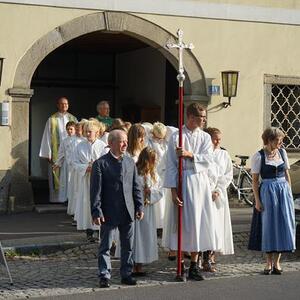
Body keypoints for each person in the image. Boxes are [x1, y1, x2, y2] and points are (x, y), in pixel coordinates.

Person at [164, 103, 216, 280]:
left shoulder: (206, 137)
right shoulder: (177, 136)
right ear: (191, 117)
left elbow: (209, 159)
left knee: (197, 224)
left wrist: (190, 154)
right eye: (201, 118)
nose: (204, 121)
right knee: (181, 224)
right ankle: (180, 265)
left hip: (199, 182)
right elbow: (170, 165)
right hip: (182, 181)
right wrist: (173, 191)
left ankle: (194, 264)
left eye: (204, 118)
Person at [90, 129, 144, 288]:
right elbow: (95, 191)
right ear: (111, 143)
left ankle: (126, 274)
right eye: (121, 141)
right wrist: (96, 211)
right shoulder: (100, 164)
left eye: (126, 141)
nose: (125, 144)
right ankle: (104, 275)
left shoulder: (129, 162)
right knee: (105, 246)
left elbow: (136, 186)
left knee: (128, 245)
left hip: (128, 210)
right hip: (108, 211)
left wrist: (139, 205)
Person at [250, 127, 295, 275]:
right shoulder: (259, 156)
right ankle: (268, 262)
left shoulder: (282, 153)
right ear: (269, 140)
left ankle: (277, 262)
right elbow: (255, 181)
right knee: (269, 226)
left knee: (283, 224)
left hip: (283, 191)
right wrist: (257, 200)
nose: (280, 143)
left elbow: (287, 174)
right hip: (267, 192)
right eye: (278, 140)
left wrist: (288, 193)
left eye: (281, 140)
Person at [204, 127, 234, 271]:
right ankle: (202, 258)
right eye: (215, 139)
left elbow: (227, 174)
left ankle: (211, 257)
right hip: (204, 194)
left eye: (219, 139)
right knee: (206, 226)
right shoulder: (204, 153)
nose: (217, 142)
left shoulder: (224, 154)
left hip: (218, 196)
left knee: (217, 227)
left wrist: (217, 190)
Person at [73, 120, 107, 242]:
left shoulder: (103, 146)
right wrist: (86, 168)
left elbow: (107, 162)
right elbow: (74, 163)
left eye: (90, 132)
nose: (87, 134)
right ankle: (89, 230)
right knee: (86, 202)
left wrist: (97, 167)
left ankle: (99, 229)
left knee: (99, 201)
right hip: (86, 179)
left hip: (99, 180)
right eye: (86, 131)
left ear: (97, 133)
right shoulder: (79, 146)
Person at [39, 97, 77, 203]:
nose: (64, 105)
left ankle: (70, 199)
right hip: (57, 153)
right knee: (57, 175)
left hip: (71, 153)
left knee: (69, 177)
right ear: (57, 105)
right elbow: (47, 136)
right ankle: (57, 199)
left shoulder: (73, 119)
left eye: (66, 104)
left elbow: (79, 134)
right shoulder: (52, 119)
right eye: (61, 104)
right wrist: (48, 153)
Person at [133, 147, 163, 276]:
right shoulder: (135, 171)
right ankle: (133, 264)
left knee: (145, 236)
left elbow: (160, 191)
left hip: (148, 208)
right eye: (153, 160)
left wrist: (150, 192)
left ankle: (140, 264)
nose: (155, 162)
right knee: (135, 237)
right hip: (136, 207)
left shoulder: (154, 174)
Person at [148, 122, 168, 229]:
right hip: (153, 170)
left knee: (163, 197)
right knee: (155, 195)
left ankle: (162, 223)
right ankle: (155, 224)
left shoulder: (165, 142)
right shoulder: (149, 141)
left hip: (163, 171)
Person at [52, 121, 76, 204]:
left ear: (75, 129)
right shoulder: (64, 141)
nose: (69, 131)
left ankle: (73, 199)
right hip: (66, 165)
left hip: (75, 165)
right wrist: (57, 164)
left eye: (71, 129)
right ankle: (66, 199)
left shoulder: (79, 140)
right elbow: (61, 153)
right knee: (66, 182)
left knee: (73, 182)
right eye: (68, 129)